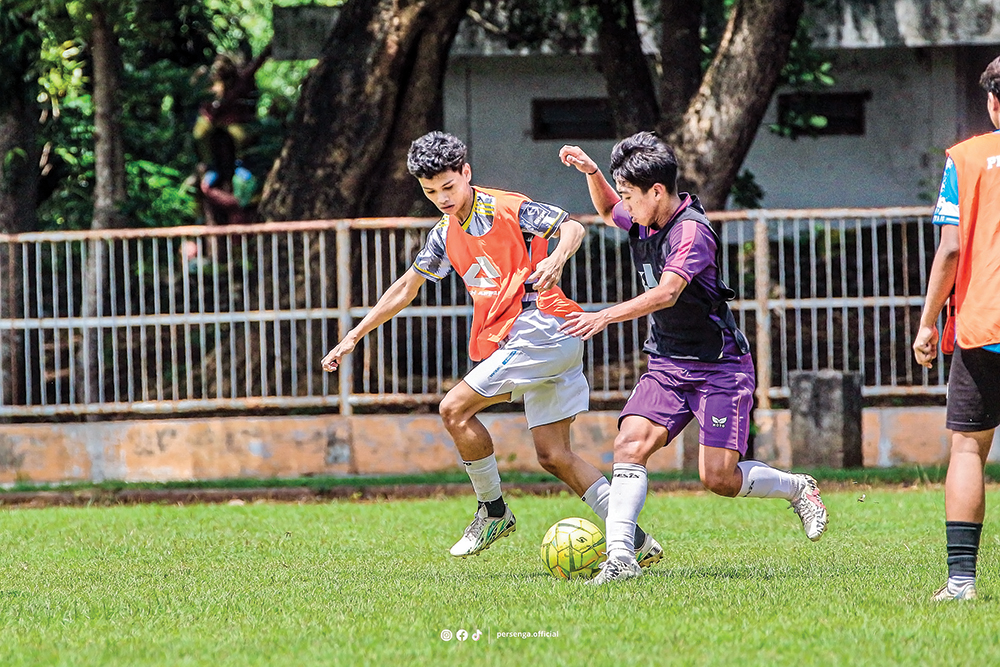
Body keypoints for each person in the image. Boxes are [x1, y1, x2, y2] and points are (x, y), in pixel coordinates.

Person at [321, 131, 662, 564]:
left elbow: (572, 227)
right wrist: (354, 335)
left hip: (540, 328)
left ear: (466, 172)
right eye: (430, 192)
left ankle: (493, 511)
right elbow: (407, 287)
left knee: (454, 409)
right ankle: (635, 542)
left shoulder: (507, 207)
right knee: (554, 455)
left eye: (448, 186)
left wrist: (556, 258)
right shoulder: (444, 234)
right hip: (546, 339)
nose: (442, 198)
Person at [559, 132, 828, 585]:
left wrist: (604, 315)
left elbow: (667, 292)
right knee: (630, 444)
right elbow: (607, 211)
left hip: (719, 366)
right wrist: (593, 173)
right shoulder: (644, 218)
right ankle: (621, 557)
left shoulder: (690, 232)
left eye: (629, 194)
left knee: (718, 478)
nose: (625, 204)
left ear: (656, 192)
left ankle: (798, 487)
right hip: (667, 363)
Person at [912, 56, 1000, 602]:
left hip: (983, 322)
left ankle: (962, 581)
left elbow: (950, 250)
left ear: (993, 102)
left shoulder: (965, 159)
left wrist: (927, 324)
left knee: (968, 449)